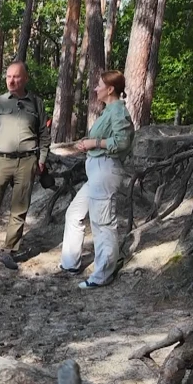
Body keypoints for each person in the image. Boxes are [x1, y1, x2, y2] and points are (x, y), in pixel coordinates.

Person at [0, 61, 51, 271]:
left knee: (19, 208)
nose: (11, 81)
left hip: (27, 161)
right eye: (8, 77)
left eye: (16, 77)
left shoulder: (36, 104)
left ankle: (8, 251)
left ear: (25, 79)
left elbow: (44, 135)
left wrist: (41, 160)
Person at [59, 70, 135, 289]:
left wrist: (96, 143)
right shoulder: (108, 111)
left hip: (106, 169)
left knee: (103, 224)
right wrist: (88, 142)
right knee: (74, 213)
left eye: (99, 85)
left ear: (110, 89)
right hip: (96, 171)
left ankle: (103, 274)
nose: (95, 88)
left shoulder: (118, 110)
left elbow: (121, 142)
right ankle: (70, 263)